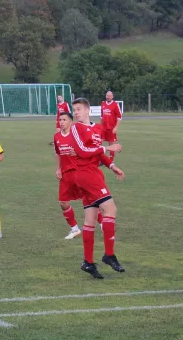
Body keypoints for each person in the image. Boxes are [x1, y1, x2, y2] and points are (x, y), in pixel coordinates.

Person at [70, 98, 124, 279]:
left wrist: (112, 165)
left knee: (90, 219)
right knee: (110, 208)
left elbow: (98, 152)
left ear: (87, 110)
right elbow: (83, 151)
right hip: (86, 175)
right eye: (74, 110)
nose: (76, 113)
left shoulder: (98, 128)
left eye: (78, 109)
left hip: (93, 173)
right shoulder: (76, 128)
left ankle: (88, 262)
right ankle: (109, 255)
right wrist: (109, 147)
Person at [54, 112, 120, 240]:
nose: (61, 122)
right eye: (60, 120)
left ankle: (102, 224)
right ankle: (75, 229)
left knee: (92, 200)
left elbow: (92, 152)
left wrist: (111, 165)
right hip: (66, 174)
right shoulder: (57, 137)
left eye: (64, 120)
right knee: (63, 202)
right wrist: (58, 169)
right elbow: (58, 153)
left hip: (80, 172)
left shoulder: (78, 135)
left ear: (71, 122)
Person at [101, 91, 122, 162]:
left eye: (110, 96)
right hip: (103, 128)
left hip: (111, 128)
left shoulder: (115, 104)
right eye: (107, 95)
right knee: (99, 143)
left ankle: (110, 161)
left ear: (112, 97)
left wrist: (116, 127)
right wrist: (100, 127)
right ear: (105, 96)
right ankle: (100, 159)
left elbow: (119, 117)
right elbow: (102, 116)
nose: (108, 97)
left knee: (111, 144)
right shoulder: (103, 103)